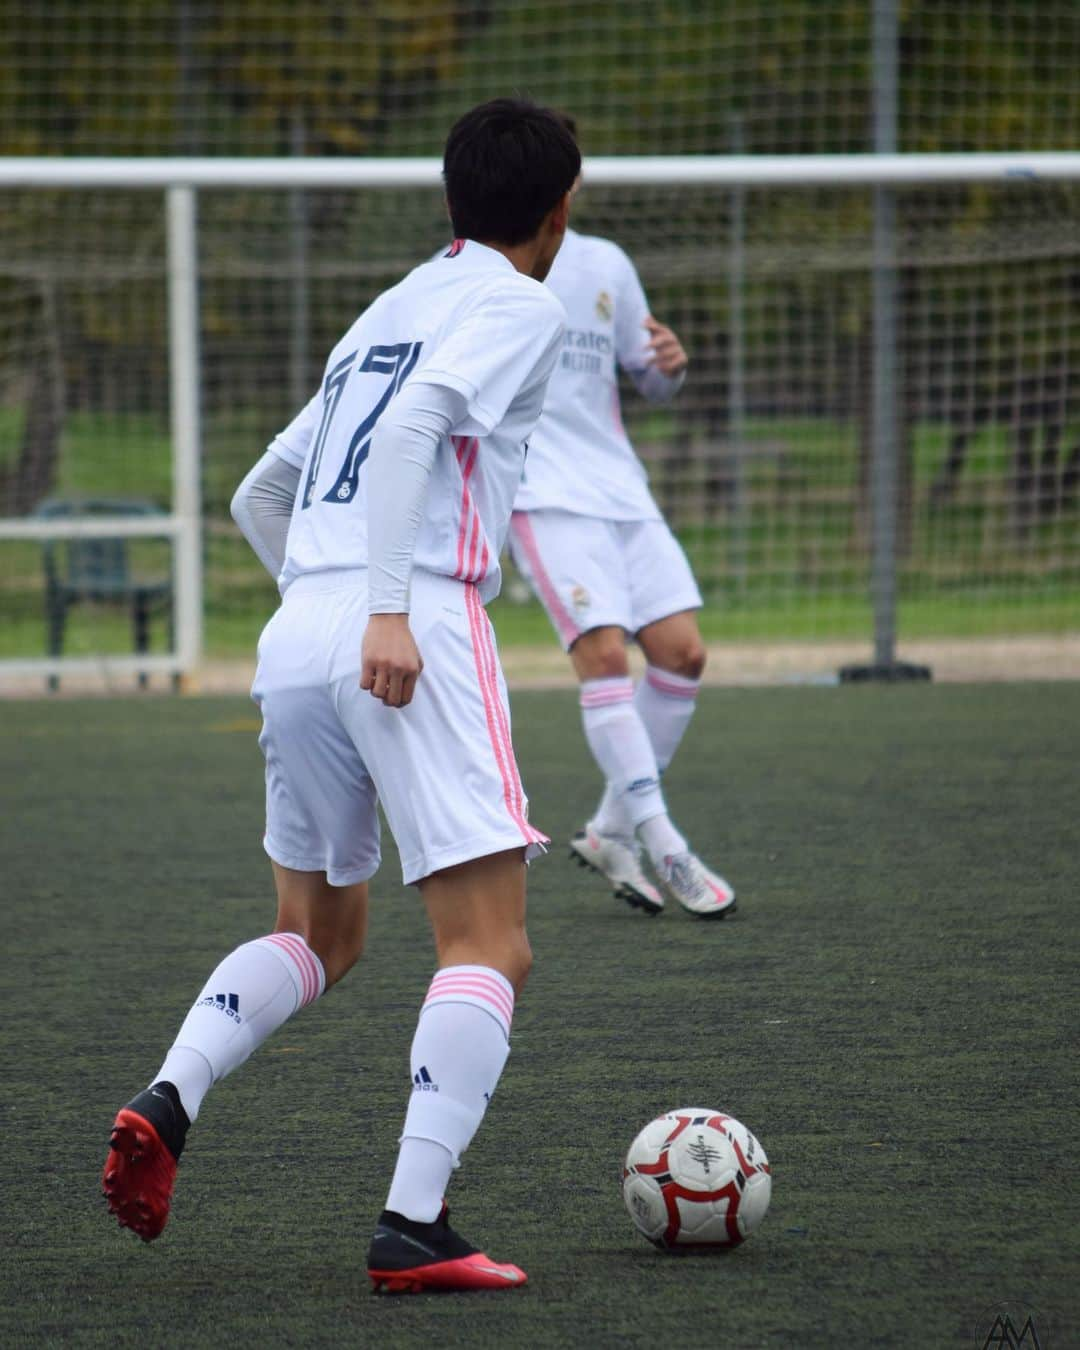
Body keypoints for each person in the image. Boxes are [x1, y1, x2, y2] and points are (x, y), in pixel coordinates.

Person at [101, 98, 580, 1294]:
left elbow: (261, 490)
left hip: (303, 622)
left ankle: (172, 1092)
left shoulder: (388, 307)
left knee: (320, 932)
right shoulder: (521, 300)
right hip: (403, 614)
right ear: (558, 211)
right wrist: (380, 611)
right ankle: (414, 1225)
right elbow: (423, 421)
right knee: (491, 944)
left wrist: (320, 613)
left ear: (448, 199)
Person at [507, 112, 735, 920]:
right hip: (541, 493)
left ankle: (609, 827)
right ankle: (662, 839)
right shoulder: (472, 270)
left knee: (683, 652)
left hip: (619, 489)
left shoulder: (607, 262)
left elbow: (649, 379)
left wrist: (669, 365)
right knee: (604, 657)